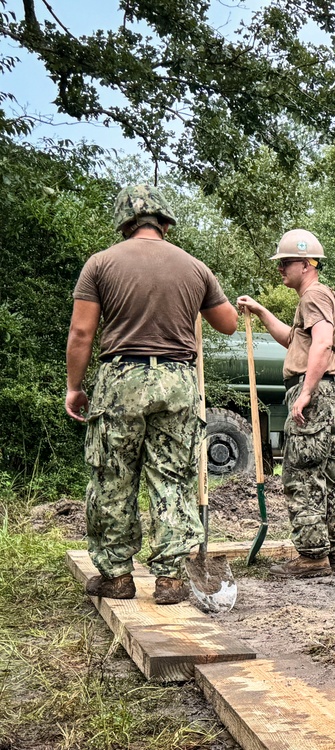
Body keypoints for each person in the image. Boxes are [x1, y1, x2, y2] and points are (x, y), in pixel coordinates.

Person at [65, 184, 238, 605]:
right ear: (164, 222)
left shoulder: (100, 264)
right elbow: (229, 324)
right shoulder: (195, 268)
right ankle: (171, 580)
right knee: (172, 478)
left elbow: (82, 332)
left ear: (125, 222)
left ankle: (117, 577)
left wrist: (74, 387)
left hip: (120, 379)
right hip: (179, 381)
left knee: (113, 476)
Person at [237, 229, 335, 578]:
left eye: (286, 262)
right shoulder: (320, 297)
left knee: (300, 472)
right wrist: (260, 311)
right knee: (332, 474)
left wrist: (304, 393)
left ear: (306, 264)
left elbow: (319, 345)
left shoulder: (313, 297)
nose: (280, 268)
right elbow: (294, 340)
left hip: (314, 392)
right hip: (329, 394)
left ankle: (312, 556)